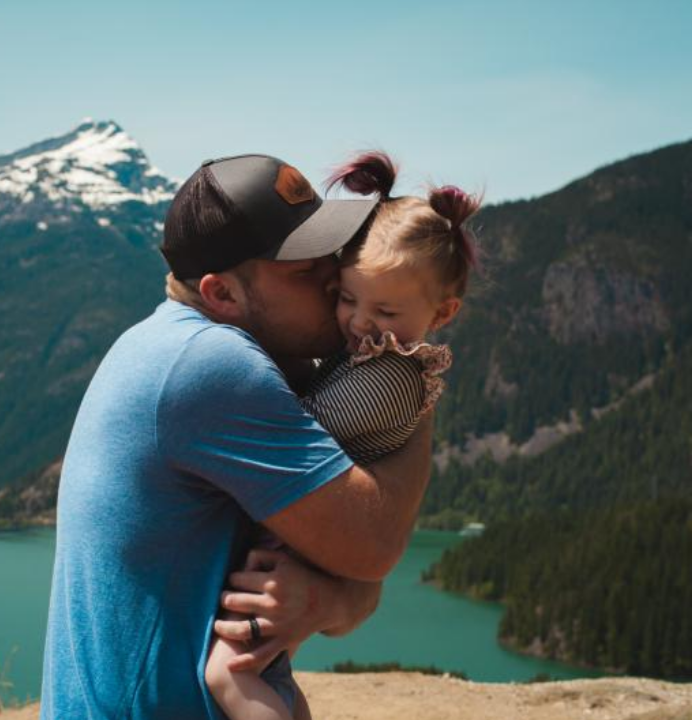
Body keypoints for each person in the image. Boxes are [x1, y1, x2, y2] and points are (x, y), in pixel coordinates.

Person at [40, 153, 436, 719]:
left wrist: (324, 600)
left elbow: (356, 579)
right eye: (303, 268)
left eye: (329, 251)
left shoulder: (165, 341)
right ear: (222, 293)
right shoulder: (211, 366)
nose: (334, 277)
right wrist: (414, 370)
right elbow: (372, 545)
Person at [204, 151, 481, 720]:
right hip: (311, 538)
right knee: (267, 669)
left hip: (301, 542)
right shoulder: (378, 354)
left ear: (443, 312)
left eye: (383, 310)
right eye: (346, 298)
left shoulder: (388, 375)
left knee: (229, 671)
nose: (357, 321)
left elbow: (303, 426)